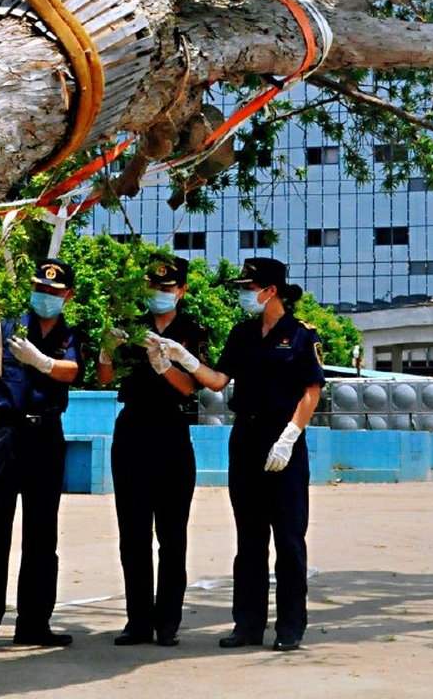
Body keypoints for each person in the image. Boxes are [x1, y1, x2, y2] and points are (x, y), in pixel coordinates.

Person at [158, 256, 324, 652]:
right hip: (246, 437)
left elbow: (311, 392)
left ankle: (289, 627)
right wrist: (186, 361)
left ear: (271, 290)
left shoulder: (302, 335)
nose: (243, 294)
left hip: (284, 439)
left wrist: (289, 437)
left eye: (249, 288)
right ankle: (247, 624)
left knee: (288, 538)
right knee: (249, 539)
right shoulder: (242, 333)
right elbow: (218, 381)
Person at [0, 258, 84, 650]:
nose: (44, 296)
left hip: (45, 434)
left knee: (41, 534)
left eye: (53, 291)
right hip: (3, 432)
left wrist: (43, 362)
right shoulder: (7, 324)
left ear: (68, 295)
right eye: (40, 289)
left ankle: (34, 623)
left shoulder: (70, 333)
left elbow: (72, 370)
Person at [96, 252, 208, 647]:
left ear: (181, 291)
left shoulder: (192, 329)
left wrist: (165, 364)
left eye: (167, 288)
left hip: (171, 430)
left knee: (172, 534)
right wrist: (107, 350)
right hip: (132, 429)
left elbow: (191, 387)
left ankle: (168, 623)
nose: (158, 294)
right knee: (133, 535)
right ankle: (138, 621)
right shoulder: (132, 325)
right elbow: (106, 377)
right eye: (153, 287)